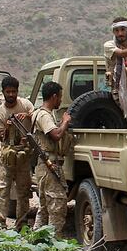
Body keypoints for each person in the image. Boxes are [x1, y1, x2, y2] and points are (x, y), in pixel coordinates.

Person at [0, 76, 34, 231]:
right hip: (7, 155)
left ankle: (22, 223)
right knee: (3, 189)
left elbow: (36, 115)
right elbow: (1, 137)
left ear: (18, 91)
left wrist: (28, 115)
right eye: (8, 92)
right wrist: (8, 127)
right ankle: (0, 222)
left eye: (14, 91)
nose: (11, 94)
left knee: (23, 190)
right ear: (3, 92)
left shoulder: (25, 104)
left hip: (23, 153)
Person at [32, 81, 73, 238]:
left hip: (43, 166)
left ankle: (36, 240)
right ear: (54, 96)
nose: (61, 100)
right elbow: (55, 135)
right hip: (49, 166)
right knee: (57, 205)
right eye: (60, 97)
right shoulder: (44, 115)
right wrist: (65, 122)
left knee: (44, 207)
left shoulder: (38, 113)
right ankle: (55, 245)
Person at [103, 16, 127, 127]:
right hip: (120, 90)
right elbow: (121, 54)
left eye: (123, 29)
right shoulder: (109, 45)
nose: (120, 33)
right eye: (117, 30)